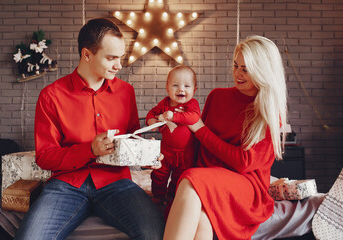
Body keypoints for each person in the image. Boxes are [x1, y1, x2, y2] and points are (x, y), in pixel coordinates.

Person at [15, 18, 165, 240]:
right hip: (66, 186)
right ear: (87, 55)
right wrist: (90, 150)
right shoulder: (51, 95)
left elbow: (131, 138)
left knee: (156, 233)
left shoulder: (126, 92)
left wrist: (145, 155)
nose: (119, 66)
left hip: (116, 183)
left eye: (120, 58)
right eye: (111, 58)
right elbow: (45, 157)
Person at [163, 35, 288, 240]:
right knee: (202, 218)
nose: (237, 73)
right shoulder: (217, 96)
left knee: (192, 180)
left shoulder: (269, 111)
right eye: (236, 65)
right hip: (209, 175)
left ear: (262, 71)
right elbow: (198, 144)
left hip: (246, 185)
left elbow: (243, 163)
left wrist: (200, 129)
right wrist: (165, 154)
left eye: (245, 69)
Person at [146, 65, 200, 208]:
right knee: (159, 174)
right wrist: (153, 121)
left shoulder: (191, 104)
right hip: (166, 152)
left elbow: (194, 117)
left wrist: (174, 116)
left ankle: (171, 198)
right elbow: (151, 113)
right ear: (167, 88)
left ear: (194, 90)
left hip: (186, 153)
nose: (181, 89)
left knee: (179, 178)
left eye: (187, 86)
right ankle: (158, 196)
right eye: (175, 85)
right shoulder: (164, 104)